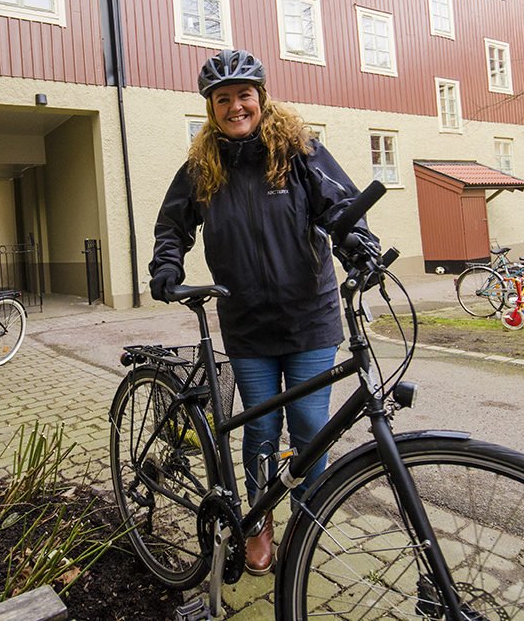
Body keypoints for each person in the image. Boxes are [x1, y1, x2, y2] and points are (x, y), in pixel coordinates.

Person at [148, 49, 378, 576]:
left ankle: (307, 523)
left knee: (309, 426)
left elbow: (339, 207)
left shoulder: (299, 151)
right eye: (222, 99)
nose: (235, 107)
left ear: (261, 98)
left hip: (309, 319)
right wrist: (166, 265)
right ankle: (257, 522)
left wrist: (359, 244)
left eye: (243, 95)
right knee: (260, 429)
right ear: (211, 108)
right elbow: (172, 225)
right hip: (247, 322)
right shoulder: (201, 167)